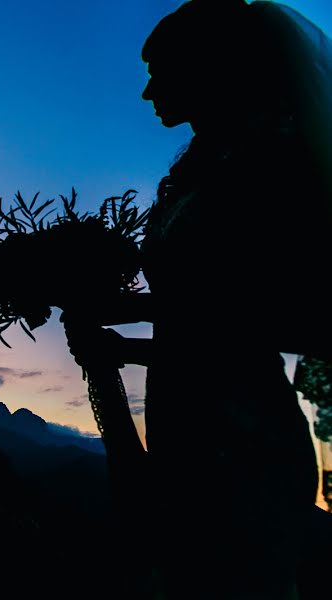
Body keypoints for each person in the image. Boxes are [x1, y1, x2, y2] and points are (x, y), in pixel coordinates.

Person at [62, 1, 332, 598]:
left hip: (241, 437)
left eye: (160, 70)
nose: (147, 91)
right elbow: (205, 300)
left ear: (210, 69)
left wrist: (125, 349)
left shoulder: (273, 167)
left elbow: (258, 320)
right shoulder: (198, 172)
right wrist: (117, 313)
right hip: (182, 419)